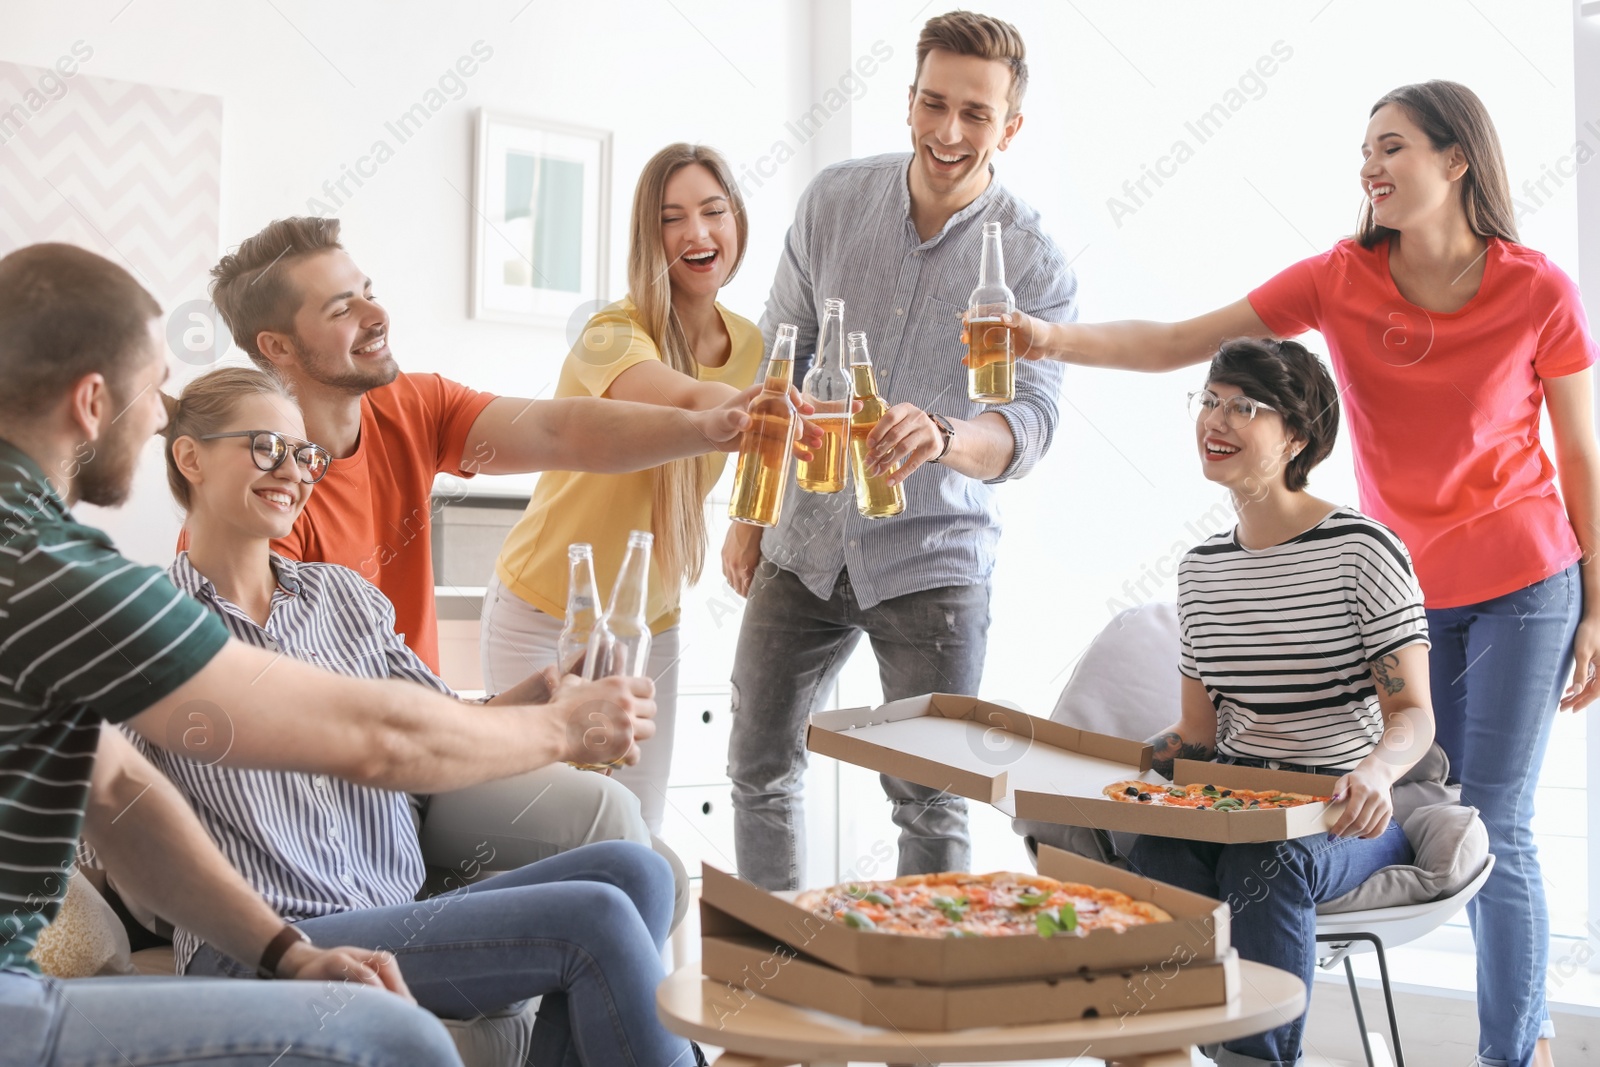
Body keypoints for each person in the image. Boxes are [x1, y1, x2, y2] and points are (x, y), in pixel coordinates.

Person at [998, 81, 1599, 1067]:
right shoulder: (1340, 278)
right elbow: (1178, 342)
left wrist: (1597, 609)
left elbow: (1579, 455)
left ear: (1455, 161)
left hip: (1522, 579)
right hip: (1403, 587)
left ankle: (1512, 1052)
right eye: (1364, 148)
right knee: (1401, 793)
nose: (1370, 164)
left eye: (1393, 145)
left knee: (1498, 817)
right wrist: (1049, 340)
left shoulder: (1537, 290)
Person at [0, 243, 680, 1064]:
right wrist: (563, 732)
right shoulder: (67, 577)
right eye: (151, 391)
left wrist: (285, 950)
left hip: (350, 908)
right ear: (91, 401)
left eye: (303, 455)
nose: (156, 416)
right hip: (37, 994)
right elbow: (378, 739)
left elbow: (113, 779)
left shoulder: (53, 559)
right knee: (437, 1013)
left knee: (639, 873)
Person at [198, 215, 807, 887]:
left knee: (653, 865)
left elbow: (557, 429)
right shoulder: (264, 508)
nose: (377, 314)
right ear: (277, 346)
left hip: (432, 752)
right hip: (360, 794)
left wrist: (704, 427)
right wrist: (534, 724)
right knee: (611, 824)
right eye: (343, 308)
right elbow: (306, 738)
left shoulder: (407, 406)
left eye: (368, 290)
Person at [125, 363, 697, 1065]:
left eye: (305, 455)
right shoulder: (148, 626)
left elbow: (434, 724)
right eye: (265, 447)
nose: (295, 471)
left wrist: (548, 695)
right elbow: (107, 810)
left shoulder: (344, 597)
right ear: (191, 458)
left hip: (396, 913)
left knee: (642, 873)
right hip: (267, 943)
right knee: (598, 916)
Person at [723, 9, 1074, 891]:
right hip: (801, 542)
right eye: (933, 103)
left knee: (929, 797)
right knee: (758, 768)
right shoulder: (834, 202)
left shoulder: (1034, 262)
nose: (948, 133)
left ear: (1011, 127)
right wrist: (747, 512)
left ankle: (927, 1014)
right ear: (910, 99)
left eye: (976, 114)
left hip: (933, 561)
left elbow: (1028, 427)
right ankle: (780, 989)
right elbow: (778, 359)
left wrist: (949, 435)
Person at [1125, 338, 1434, 1067]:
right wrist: (1127, 770)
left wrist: (1377, 773)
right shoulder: (1201, 571)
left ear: (1296, 435)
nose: (1215, 419)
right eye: (1208, 400)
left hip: (1346, 810)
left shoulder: (1363, 547)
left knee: (1268, 855)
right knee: (1154, 842)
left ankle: (1256, 1060)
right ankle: (1163, 1047)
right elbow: (1198, 735)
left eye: (1243, 406)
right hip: (1238, 798)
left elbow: (1412, 714)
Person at [483, 144, 764, 834]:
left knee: (634, 829)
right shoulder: (608, 333)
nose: (698, 233)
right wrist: (733, 409)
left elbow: (759, 462)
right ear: (650, 237)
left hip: (649, 620)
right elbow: (675, 400)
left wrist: (750, 524)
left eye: (713, 211)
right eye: (673, 219)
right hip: (543, 612)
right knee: (539, 829)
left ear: (737, 221)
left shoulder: (752, 343)